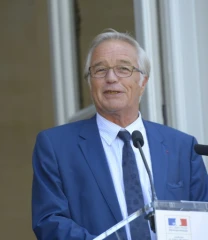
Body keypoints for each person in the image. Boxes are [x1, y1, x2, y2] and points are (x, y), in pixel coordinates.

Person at [31, 29, 208, 240]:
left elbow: (202, 218)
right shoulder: (56, 146)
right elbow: (50, 222)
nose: (111, 78)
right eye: (100, 70)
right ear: (90, 82)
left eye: (123, 69)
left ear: (143, 82)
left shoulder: (182, 146)